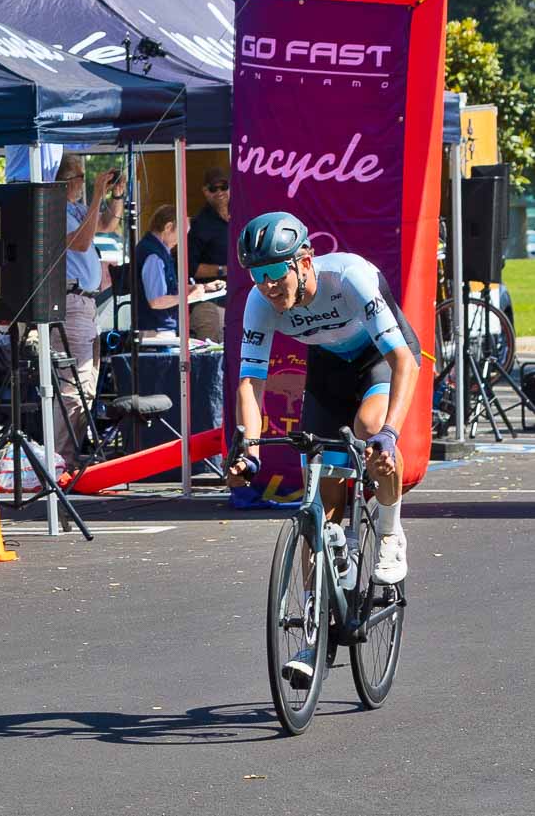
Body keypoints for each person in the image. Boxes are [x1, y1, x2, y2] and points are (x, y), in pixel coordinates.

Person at [226, 211, 419, 685]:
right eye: (258, 274)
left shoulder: (350, 278)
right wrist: (247, 448)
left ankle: (391, 533)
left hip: (380, 361)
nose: (268, 285)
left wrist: (389, 434)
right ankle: (316, 640)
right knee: (321, 513)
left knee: (369, 431)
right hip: (330, 373)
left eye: (276, 272)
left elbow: (404, 362)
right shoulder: (259, 302)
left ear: (305, 261)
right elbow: (250, 382)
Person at [51, 153, 125, 470]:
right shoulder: (54, 209)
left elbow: (107, 225)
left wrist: (115, 194)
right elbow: (81, 242)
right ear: (66, 181)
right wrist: (97, 193)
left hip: (86, 302)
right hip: (71, 301)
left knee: (87, 385)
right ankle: (59, 461)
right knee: (73, 388)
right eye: (80, 176)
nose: (83, 182)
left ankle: (66, 458)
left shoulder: (76, 208)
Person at [135, 204, 224, 336]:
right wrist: (188, 298)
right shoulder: (153, 255)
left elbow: (166, 288)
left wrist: (203, 287)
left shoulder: (157, 251)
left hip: (158, 328)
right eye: (181, 234)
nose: (182, 240)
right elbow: (156, 301)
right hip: (156, 330)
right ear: (168, 227)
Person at [186, 167, 231, 342]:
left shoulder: (243, 214)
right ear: (205, 191)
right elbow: (191, 268)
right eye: (213, 188)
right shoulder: (200, 224)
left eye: (224, 187)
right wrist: (225, 270)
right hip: (212, 303)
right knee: (214, 356)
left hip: (244, 298)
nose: (219, 192)